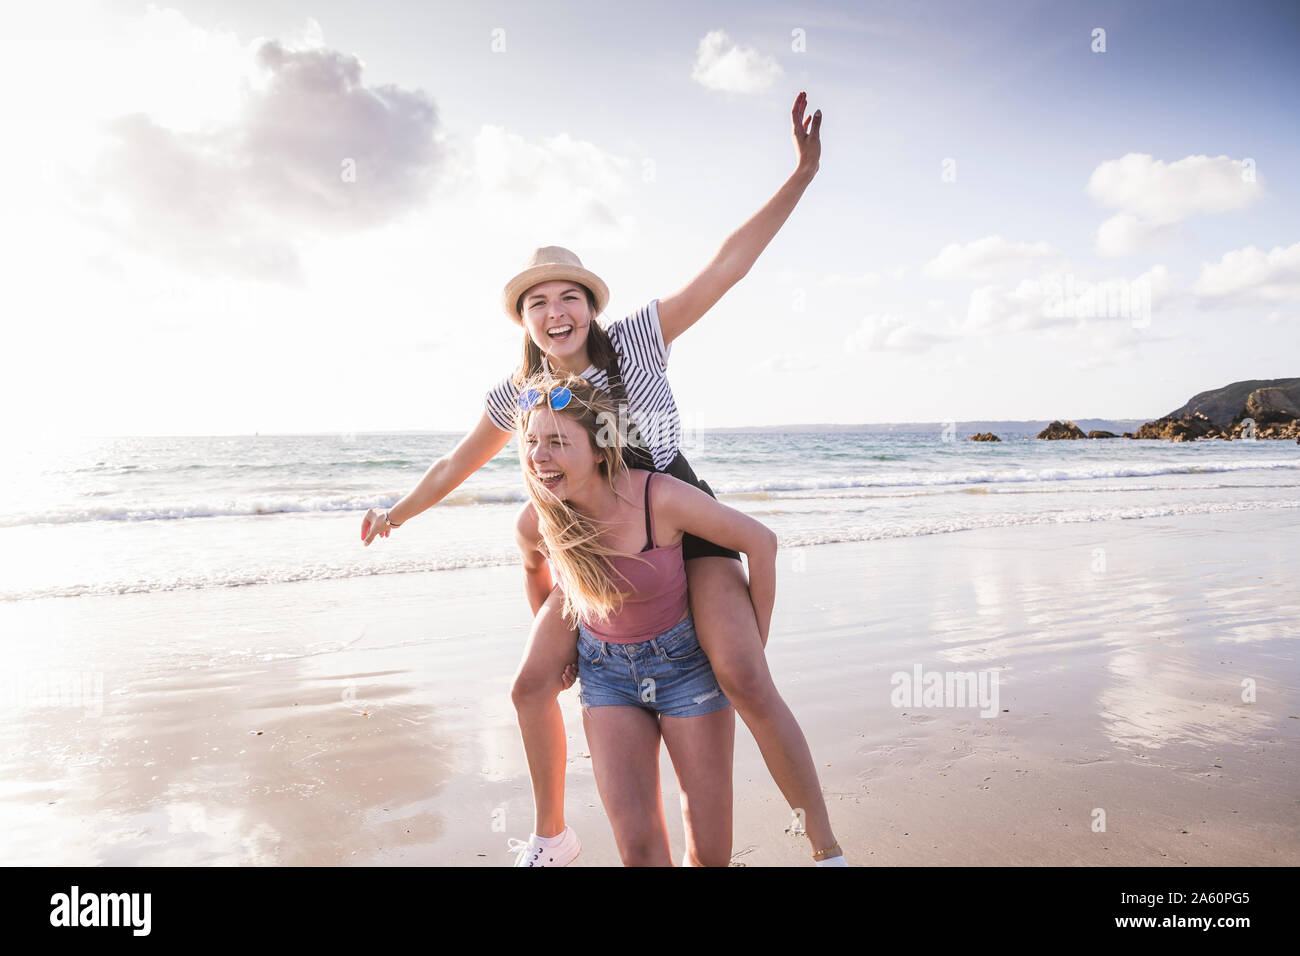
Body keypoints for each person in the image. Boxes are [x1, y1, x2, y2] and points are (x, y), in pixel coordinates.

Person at [362, 91, 846, 866]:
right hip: (587, 544)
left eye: (571, 297)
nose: (557, 312)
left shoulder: (639, 341)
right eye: (539, 303)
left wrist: (801, 174)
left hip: (675, 520)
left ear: (590, 307)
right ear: (524, 319)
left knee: (745, 675)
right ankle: (552, 835)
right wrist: (398, 512)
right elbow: (456, 463)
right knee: (529, 684)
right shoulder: (514, 397)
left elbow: (727, 266)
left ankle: (825, 850)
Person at [512, 372, 746, 865]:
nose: (540, 456)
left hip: (687, 669)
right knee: (639, 850)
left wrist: (755, 641)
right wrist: (564, 648)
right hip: (608, 676)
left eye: (558, 442)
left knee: (710, 855)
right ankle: (551, 835)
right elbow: (535, 569)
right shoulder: (539, 518)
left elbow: (759, 541)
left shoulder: (656, 495)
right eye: (533, 441)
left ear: (600, 449)